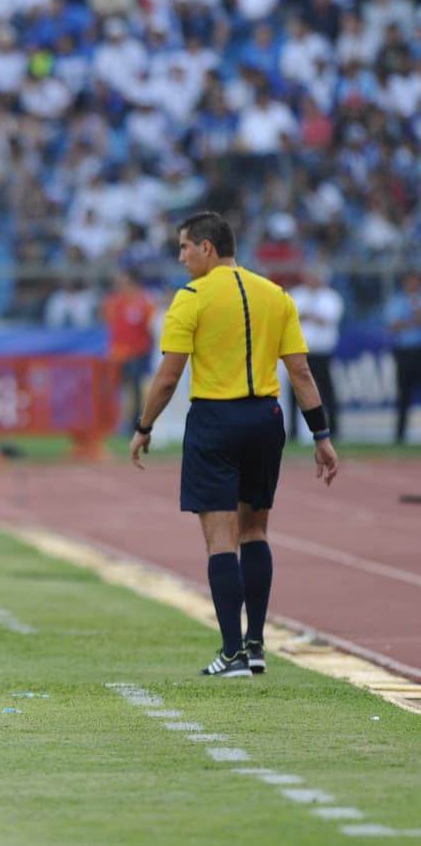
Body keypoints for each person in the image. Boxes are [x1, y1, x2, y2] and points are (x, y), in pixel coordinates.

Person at [130, 212, 339, 678]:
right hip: (265, 419)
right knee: (256, 531)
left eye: (184, 247)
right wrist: (321, 435)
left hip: (215, 421)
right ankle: (256, 645)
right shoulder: (276, 295)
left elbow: (168, 376)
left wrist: (144, 425)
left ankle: (231, 654)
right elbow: (301, 371)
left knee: (220, 538)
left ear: (207, 247)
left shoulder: (191, 298)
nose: (180, 257)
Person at [287, 263, 343, 438]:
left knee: (327, 391)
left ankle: (334, 428)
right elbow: (289, 318)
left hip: (322, 351)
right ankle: (294, 430)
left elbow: (327, 319)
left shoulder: (331, 297)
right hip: (299, 352)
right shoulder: (297, 294)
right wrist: (310, 317)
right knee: (295, 392)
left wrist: (306, 316)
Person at [101, 268, 156, 427]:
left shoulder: (144, 301)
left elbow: (150, 327)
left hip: (137, 353)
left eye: (123, 280)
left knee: (136, 388)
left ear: (132, 282)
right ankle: (118, 420)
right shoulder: (113, 301)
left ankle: (134, 421)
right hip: (117, 353)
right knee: (118, 388)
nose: (119, 284)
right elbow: (109, 322)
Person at [386, 271, 421, 445]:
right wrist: (414, 320)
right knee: (403, 393)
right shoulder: (397, 300)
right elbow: (394, 325)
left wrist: (410, 317)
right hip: (404, 351)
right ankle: (400, 434)